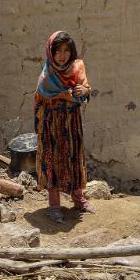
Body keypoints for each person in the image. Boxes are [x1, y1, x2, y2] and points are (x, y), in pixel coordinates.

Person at [34, 31, 94, 223]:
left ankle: (78, 199)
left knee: (74, 159)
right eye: (58, 50)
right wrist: (65, 96)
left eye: (66, 50)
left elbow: (85, 91)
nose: (62, 55)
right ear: (51, 52)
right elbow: (40, 100)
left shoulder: (77, 67)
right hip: (51, 124)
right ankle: (54, 205)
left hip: (72, 122)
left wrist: (84, 90)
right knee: (52, 162)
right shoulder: (47, 75)